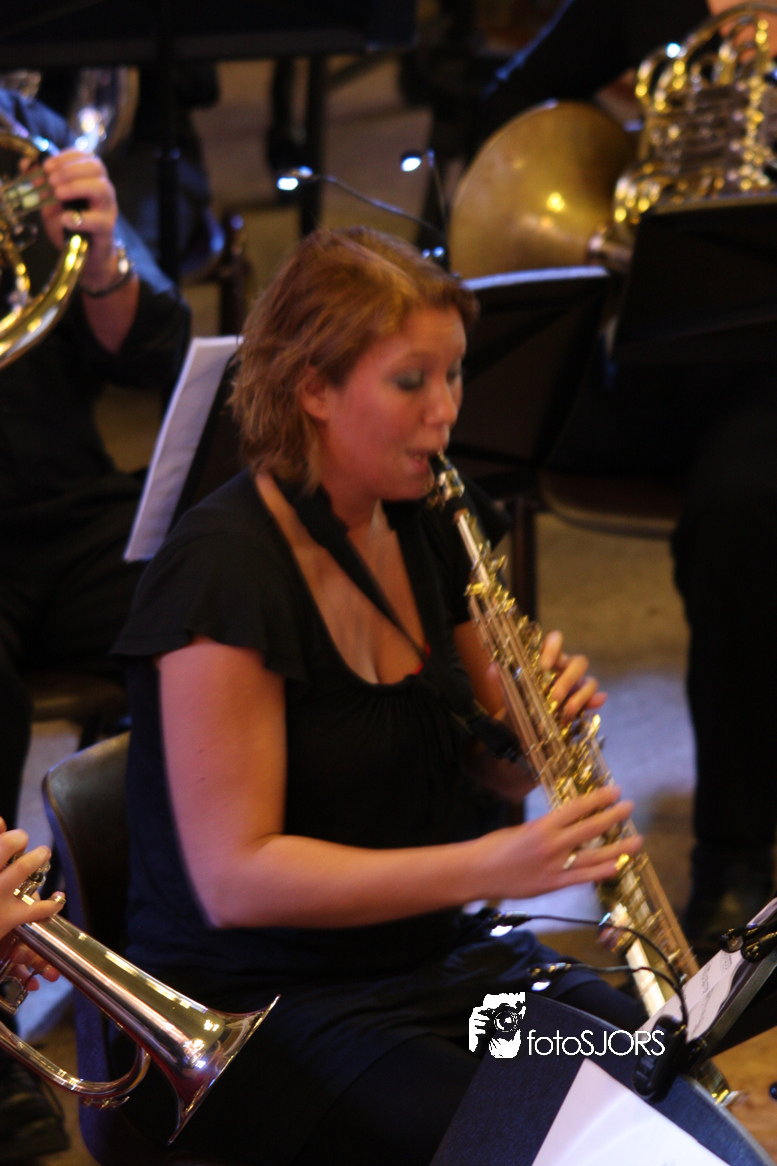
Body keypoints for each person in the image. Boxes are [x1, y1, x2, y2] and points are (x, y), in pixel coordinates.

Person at [113, 226, 648, 1165]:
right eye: (410, 381)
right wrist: (491, 864)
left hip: (434, 962)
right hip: (265, 1011)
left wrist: (537, 732)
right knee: (529, 1140)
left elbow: (491, 768)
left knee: (646, 1069)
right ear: (312, 389)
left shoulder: (426, 517)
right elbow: (236, 879)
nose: (445, 411)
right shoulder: (223, 572)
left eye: (453, 374)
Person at [476, 0, 777, 951]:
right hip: (647, 356)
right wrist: (614, 152)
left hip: (766, 378)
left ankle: (733, 854)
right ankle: (457, 846)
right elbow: (497, 112)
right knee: (460, 437)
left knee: (740, 508)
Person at [0, 85, 190, 1158]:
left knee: (202, 609)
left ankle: (171, 949)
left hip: (65, 507)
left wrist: (105, 253)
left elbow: (155, 349)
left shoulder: (20, 137)